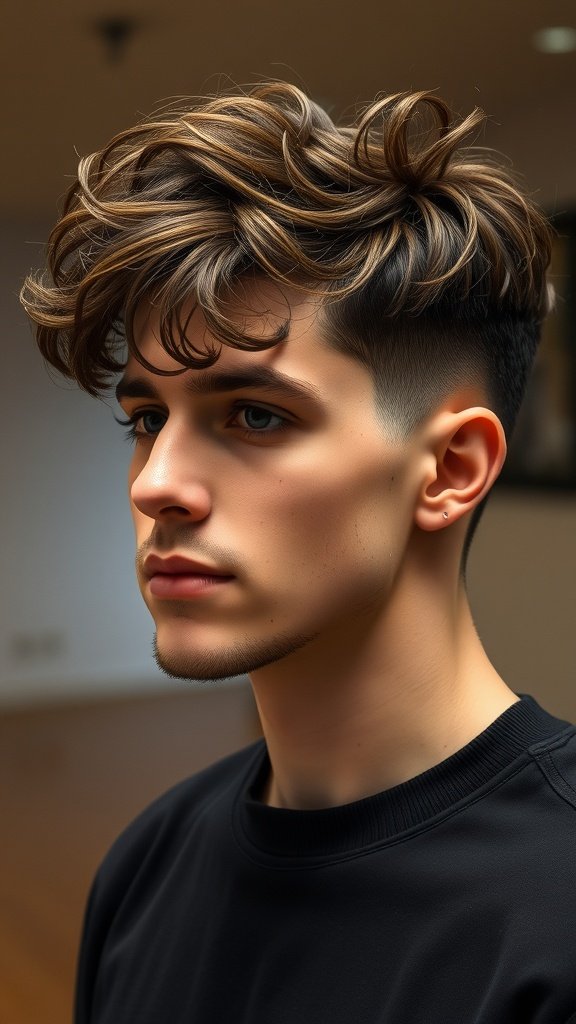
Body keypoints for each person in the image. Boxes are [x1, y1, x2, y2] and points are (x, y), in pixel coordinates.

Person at [20, 82, 576, 1024]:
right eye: (147, 418)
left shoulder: (555, 922)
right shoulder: (148, 862)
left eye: (255, 414)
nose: (156, 482)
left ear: (449, 468)